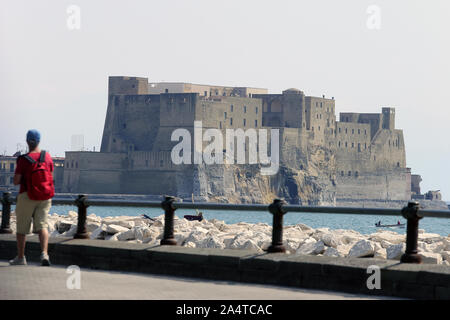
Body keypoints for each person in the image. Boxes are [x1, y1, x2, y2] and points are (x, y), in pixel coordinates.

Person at [9, 129, 55, 266]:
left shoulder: (23, 159)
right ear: (39, 141)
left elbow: (16, 181)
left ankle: (21, 257)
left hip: (27, 195)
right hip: (45, 197)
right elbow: (51, 176)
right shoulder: (47, 156)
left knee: (22, 229)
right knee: (42, 226)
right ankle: (44, 254)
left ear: (27, 141)